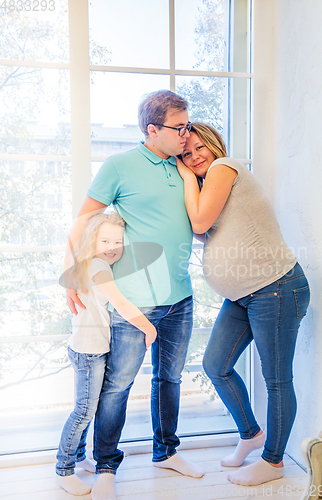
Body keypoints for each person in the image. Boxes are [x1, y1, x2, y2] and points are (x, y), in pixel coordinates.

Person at [64, 91, 205, 500]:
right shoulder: (120, 166)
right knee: (118, 386)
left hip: (180, 296)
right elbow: (83, 221)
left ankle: (166, 452)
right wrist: (73, 273)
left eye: (188, 126)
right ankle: (106, 464)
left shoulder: (182, 166)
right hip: (134, 301)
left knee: (170, 379)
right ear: (153, 129)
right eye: (180, 128)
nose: (186, 135)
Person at [176, 122, 310, 486]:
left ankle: (273, 462)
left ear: (214, 144)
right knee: (216, 365)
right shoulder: (208, 185)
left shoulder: (223, 168)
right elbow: (201, 230)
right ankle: (251, 434)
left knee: (277, 380)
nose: (194, 156)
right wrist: (192, 182)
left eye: (199, 147)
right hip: (243, 296)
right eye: (186, 154)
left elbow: (200, 221)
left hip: (276, 288)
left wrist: (187, 177)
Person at [56, 212, 157, 496]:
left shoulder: (91, 264)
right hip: (88, 352)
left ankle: (77, 457)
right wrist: (148, 327)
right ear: (92, 240)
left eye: (118, 241)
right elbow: (121, 303)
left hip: (90, 348)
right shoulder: (99, 266)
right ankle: (63, 470)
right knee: (84, 411)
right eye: (105, 240)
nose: (112, 246)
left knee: (89, 408)